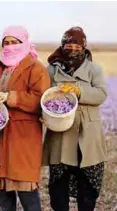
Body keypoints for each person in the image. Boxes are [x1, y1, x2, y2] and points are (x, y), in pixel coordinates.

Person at [0, 26, 51, 211]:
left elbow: (41, 100)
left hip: (22, 137)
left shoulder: (36, 69)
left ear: (25, 43)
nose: (10, 46)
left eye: (15, 42)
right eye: (6, 43)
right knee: (4, 194)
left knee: (27, 192)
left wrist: (11, 97)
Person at [42, 26, 107, 211]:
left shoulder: (94, 69)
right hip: (61, 135)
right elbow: (44, 96)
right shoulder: (52, 70)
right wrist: (44, 114)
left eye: (77, 46)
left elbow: (102, 94)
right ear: (62, 45)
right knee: (58, 192)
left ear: (84, 47)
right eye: (68, 45)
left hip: (88, 136)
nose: (72, 49)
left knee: (87, 193)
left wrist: (79, 91)